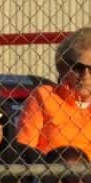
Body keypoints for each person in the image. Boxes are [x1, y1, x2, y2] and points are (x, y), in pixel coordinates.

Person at [17, 28, 91, 160]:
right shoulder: (44, 96)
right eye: (78, 68)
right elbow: (25, 148)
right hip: (51, 171)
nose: (85, 75)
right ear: (64, 69)